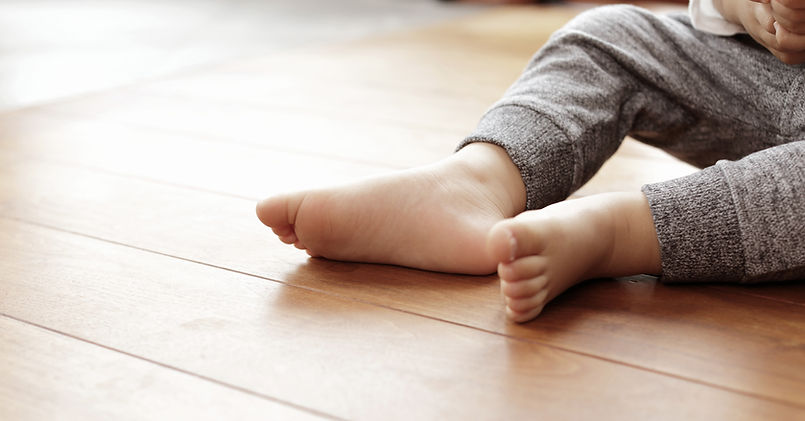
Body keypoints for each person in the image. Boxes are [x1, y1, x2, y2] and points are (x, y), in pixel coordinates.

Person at [257, 0, 805, 322]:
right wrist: (748, 8)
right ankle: (477, 181)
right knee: (608, 36)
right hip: (765, 73)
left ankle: (619, 233)